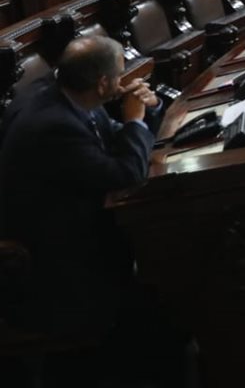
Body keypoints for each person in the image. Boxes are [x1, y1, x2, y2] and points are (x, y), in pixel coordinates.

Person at [0, 36, 158, 336]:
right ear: (102, 83)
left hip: (69, 222)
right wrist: (135, 121)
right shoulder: (54, 125)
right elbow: (124, 173)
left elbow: (112, 137)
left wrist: (145, 109)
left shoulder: (66, 92)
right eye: (119, 75)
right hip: (55, 260)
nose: (122, 81)